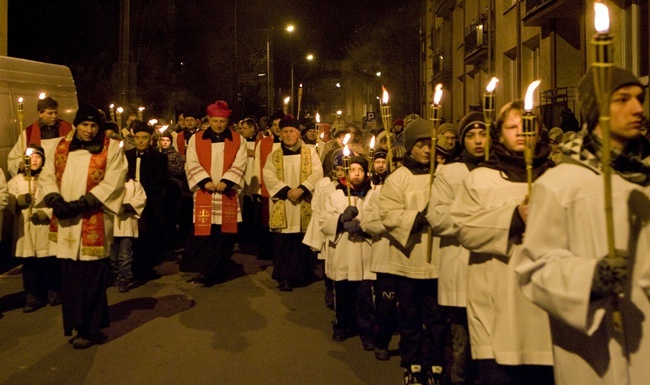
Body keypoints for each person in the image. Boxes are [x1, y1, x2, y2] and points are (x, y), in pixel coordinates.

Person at [516, 67, 650, 385]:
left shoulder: (643, 177)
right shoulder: (561, 184)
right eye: (623, 100)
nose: (638, 109)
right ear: (595, 110)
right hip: (596, 349)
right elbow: (534, 269)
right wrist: (592, 278)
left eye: (640, 99)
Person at [449, 101, 555, 385]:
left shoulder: (558, 178)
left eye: (528, 126)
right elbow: (463, 227)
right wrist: (515, 218)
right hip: (497, 304)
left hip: (546, 311)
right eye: (512, 127)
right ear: (499, 133)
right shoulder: (481, 179)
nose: (521, 132)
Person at [40, 104, 127, 349]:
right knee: (70, 278)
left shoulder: (110, 149)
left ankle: (91, 328)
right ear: (77, 125)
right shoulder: (60, 147)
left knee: (92, 278)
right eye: (84, 125)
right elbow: (47, 175)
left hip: (93, 219)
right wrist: (54, 201)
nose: (89, 131)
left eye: (94, 126)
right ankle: (74, 323)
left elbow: (115, 180)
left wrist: (84, 203)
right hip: (66, 222)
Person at [378, 118, 446, 385]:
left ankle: (437, 363)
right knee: (410, 318)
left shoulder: (442, 176)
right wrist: (417, 219)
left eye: (430, 144)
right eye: (421, 145)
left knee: (438, 319)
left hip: (438, 259)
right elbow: (388, 213)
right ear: (410, 148)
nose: (427, 150)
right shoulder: (398, 179)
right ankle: (413, 363)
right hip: (409, 260)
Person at [426, 111, 486, 385]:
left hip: (492, 272)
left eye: (483, 134)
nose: (478, 141)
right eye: (471, 136)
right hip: (461, 265)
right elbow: (438, 218)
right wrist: (479, 220)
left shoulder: (499, 170)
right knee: (462, 344)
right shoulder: (449, 172)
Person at [181, 100, 247, 285]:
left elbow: (240, 163)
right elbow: (191, 162)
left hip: (227, 192)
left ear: (228, 122)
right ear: (208, 120)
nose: (218, 125)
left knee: (223, 235)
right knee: (204, 234)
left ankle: (220, 268)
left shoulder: (237, 139)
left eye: (222, 121)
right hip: (205, 192)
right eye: (215, 121)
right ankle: (204, 270)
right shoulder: (196, 139)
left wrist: (226, 181)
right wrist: (205, 181)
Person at [263, 115, 323, 291]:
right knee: (284, 241)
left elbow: (317, 173)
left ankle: (303, 274)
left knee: (301, 241)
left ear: (298, 133)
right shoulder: (274, 155)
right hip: (284, 202)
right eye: (285, 131)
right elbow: (268, 175)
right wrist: (287, 191)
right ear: (280, 134)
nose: (288, 134)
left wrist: (302, 189)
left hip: (303, 198)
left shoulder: (310, 153)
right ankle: (284, 277)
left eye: (292, 131)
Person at [320, 154, 375, 349]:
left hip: (364, 252)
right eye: (353, 170)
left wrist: (364, 227)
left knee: (365, 296)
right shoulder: (336, 194)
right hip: (343, 250)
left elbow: (378, 217)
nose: (357, 174)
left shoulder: (372, 194)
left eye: (360, 170)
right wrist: (340, 221)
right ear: (346, 172)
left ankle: (366, 330)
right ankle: (343, 325)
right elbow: (324, 219)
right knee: (343, 293)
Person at [9, 145, 59, 312]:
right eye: (31, 157)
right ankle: (33, 294)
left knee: (48, 261)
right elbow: (7, 200)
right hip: (26, 228)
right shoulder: (16, 181)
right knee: (29, 264)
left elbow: (58, 200)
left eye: (38, 156)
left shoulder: (50, 179)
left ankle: (53, 289)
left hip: (43, 227)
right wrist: (18, 202)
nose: (34, 160)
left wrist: (45, 213)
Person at [360, 148, 398, 361]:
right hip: (385, 257)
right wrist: (396, 221)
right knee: (386, 304)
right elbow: (368, 222)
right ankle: (381, 339)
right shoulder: (376, 193)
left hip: (409, 257)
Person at [125, 121, 169, 281]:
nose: (140, 141)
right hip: (130, 201)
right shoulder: (127, 156)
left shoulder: (159, 158)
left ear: (150, 139)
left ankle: (147, 267)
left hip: (151, 201)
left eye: (144, 138)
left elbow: (162, 180)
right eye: (137, 138)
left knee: (149, 234)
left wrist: (143, 193)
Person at [8, 97, 74, 177]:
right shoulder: (29, 133)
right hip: (38, 177)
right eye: (50, 113)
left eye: (56, 113)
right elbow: (14, 158)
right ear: (40, 114)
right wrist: (21, 165)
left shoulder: (69, 129)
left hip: (63, 175)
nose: (54, 116)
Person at [250, 110, 284, 260]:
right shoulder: (263, 143)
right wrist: (256, 188)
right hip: (266, 189)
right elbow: (257, 164)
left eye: (280, 124)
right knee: (266, 220)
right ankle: (267, 250)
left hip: (285, 188)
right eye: (274, 125)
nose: (277, 128)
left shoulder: (293, 142)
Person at [111, 175, 146, 293]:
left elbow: (141, 200)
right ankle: (115, 275)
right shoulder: (109, 182)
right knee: (113, 255)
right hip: (112, 224)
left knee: (125, 254)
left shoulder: (135, 184)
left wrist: (126, 207)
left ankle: (124, 278)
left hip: (127, 223)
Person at [160, 130, 186, 248]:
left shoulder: (175, 155)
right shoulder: (157, 153)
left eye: (167, 140)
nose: (165, 143)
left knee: (171, 213)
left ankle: (174, 239)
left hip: (173, 186)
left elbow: (179, 171)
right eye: (163, 140)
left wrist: (166, 164)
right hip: (161, 187)